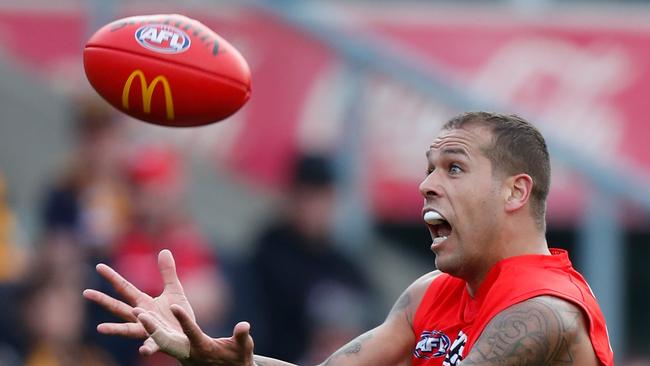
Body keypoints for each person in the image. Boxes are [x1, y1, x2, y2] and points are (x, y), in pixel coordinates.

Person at [83, 112, 614, 365]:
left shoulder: (544, 311)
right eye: (428, 168)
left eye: (454, 168)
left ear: (515, 192)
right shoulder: (428, 293)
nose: (427, 184)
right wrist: (228, 363)